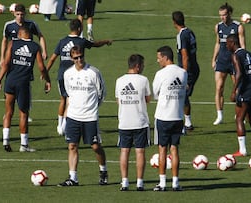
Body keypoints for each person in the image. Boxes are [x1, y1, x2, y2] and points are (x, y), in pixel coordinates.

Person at [46, 18, 112, 136]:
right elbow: (95, 44)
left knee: (63, 99)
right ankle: (65, 126)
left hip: (61, 75)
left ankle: (60, 125)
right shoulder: (81, 42)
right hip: (74, 76)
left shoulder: (62, 41)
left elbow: (52, 58)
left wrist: (45, 73)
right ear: (80, 29)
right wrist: (106, 41)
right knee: (70, 100)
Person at [0, 26, 51, 153]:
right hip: (23, 83)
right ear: (29, 35)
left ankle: (5, 140)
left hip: (10, 81)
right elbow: (41, 67)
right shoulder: (35, 47)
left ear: (19, 34)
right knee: (23, 113)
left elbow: (5, 63)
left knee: (8, 111)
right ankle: (24, 145)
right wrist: (47, 80)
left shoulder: (12, 43)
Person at [58, 45, 107, 186]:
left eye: (81, 56)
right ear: (72, 59)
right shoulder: (67, 74)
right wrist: (65, 118)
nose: (79, 60)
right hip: (73, 116)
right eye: (76, 58)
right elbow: (69, 95)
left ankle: (103, 170)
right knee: (72, 146)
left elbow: (102, 93)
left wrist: (94, 107)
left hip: (90, 117)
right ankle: (73, 177)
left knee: (95, 146)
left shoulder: (93, 72)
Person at [0, 3, 48, 122]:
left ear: (25, 14)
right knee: (9, 82)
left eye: (22, 14)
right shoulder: (9, 26)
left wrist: (44, 51)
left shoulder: (31, 25)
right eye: (17, 14)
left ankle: (25, 111)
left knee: (26, 85)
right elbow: (5, 40)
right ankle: (8, 111)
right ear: (13, 14)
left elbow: (40, 36)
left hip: (26, 59)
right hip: (11, 59)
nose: (20, 17)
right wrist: (2, 57)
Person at [152, 46, 187, 191]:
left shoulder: (161, 74)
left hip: (163, 116)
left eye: (159, 58)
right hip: (178, 116)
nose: (158, 60)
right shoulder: (183, 73)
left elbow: (155, 94)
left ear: (166, 57)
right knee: (174, 149)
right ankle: (175, 183)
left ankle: (162, 183)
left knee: (162, 150)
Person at [115, 54, 151, 191]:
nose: (143, 67)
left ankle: (124, 182)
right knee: (140, 152)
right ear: (137, 66)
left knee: (124, 151)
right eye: (142, 65)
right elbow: (147, 99)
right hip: (140, 122)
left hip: (124, 121)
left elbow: (118, 100)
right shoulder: (143, 80)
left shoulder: (119, 81)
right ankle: (140, 183)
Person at [211, 3, 246, 125]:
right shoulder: (218, 27)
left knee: (238, 88)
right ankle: (219, 115)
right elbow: (217, 43)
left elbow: (242, 46)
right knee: (219, 88)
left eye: (224, 15)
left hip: (234, 62)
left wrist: (242, 61)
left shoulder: (238, 27)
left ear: (229, 14)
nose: (222, 17)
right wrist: (213, 58)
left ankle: (239, 112)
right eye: (220, 15)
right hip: (222, 61)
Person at [172, 11, 200, 131]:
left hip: (188, 70)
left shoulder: (181, 35)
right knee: (183, 96)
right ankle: (187, 123)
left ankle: (185, 124)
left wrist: (184, 73)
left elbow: (184, 55)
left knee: (181, 96)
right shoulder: (190, 32)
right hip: (194, 67)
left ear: (174, 22)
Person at [226, 34, 250, 157]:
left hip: (246, 90)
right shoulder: (248, 53)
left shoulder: (235, 55)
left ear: (232, 43)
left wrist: (234, 90)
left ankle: (242, 150)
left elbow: (239, 73)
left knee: (239, 118)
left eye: (227, 43)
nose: (226, 46)